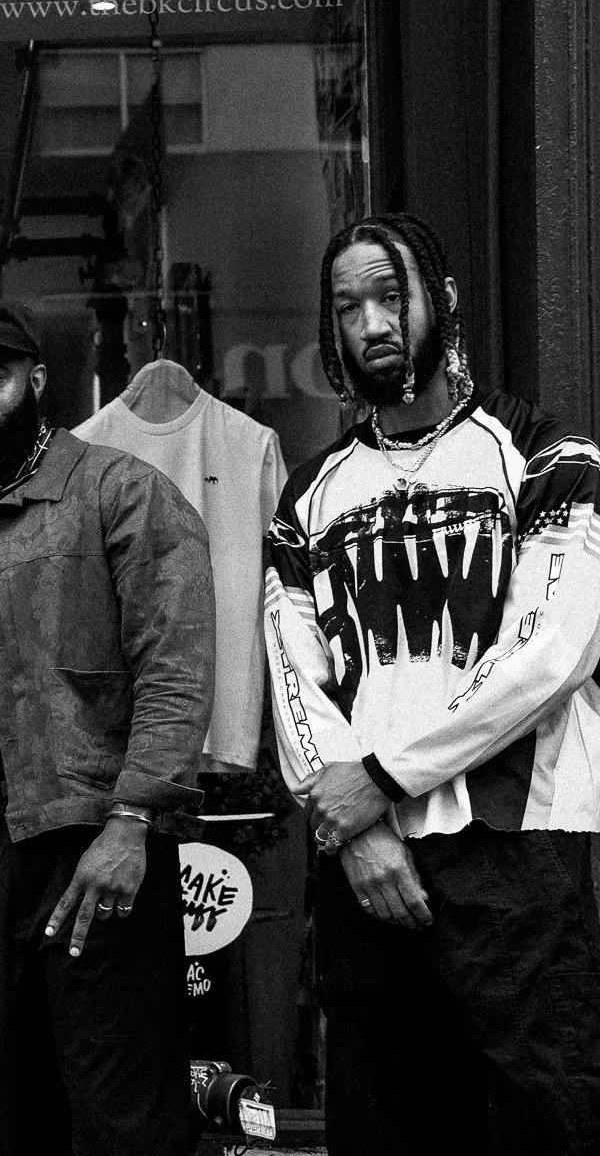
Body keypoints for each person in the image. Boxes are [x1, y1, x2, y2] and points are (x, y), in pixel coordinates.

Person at [266, 212, 600, 1155]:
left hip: (516, 845)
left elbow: (549, 650)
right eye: (347, 307)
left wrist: (381, 777)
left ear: (441, 303)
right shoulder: (306, 496)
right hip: (370, 863)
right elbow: (297, 682)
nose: (370, 322)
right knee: (382, 1127)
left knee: (545, 1121)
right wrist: (359, 823)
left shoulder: (542, 453)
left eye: (389, 295)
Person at [0, 300, 213, 1156]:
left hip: (92, 844)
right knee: (14, 1110)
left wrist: (133, 821)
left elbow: (175, 669)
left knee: (122, 1115)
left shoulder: (120, 490)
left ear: (36, 382)